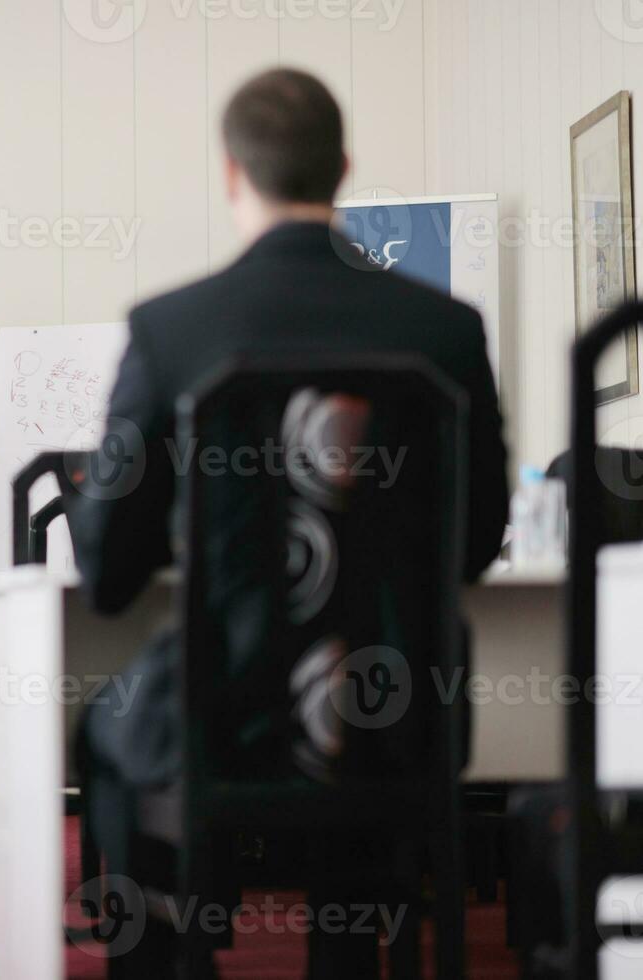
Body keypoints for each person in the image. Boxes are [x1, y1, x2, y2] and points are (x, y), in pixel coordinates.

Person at [64, 68, 510, 975]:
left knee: (105, 733)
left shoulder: (171, 329)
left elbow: (107, 564)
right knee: (359, 735)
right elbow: (475, 541)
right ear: (343, 166)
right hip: (400, 712)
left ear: (231, 174)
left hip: (222, 711)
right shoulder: (447, 330)